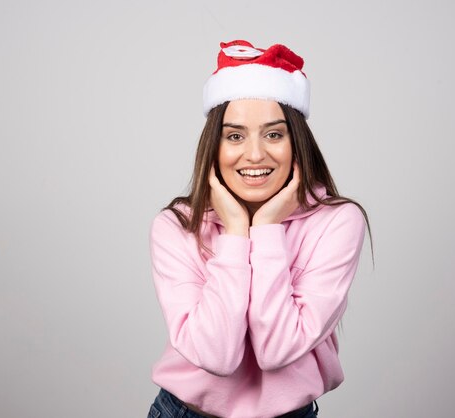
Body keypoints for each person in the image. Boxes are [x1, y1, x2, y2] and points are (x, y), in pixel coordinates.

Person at [147, 40, 373, 418]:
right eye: (235, 136)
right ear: (214, 147)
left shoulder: (337, 222)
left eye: (274, 134)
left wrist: (266, 227)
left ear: (296, 142)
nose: (254, 154)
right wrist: (236, 232)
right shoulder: (177, 226)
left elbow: (277, 350)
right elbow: (214, 356)